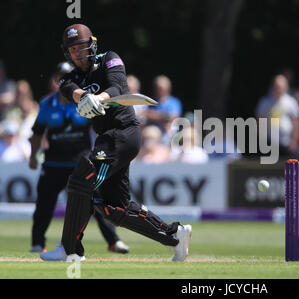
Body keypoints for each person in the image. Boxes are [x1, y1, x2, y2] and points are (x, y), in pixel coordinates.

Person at [40, 24, 191, 262]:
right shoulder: (71, 76)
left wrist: (98, 98)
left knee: (82, 176)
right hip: (106, 138)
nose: (78, 53)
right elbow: (68, 88)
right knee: (112, 207)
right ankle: (174, 236)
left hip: (123, 133)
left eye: (81, 47)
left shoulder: (110, 59)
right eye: (73, 50)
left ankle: (70, 250)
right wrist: (84, 97)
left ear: (92, 45)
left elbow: (117, 86)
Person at [28, 62, 130, 254]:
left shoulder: (86, 101)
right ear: (55, 81)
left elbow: (102, 125)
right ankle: (37, 243)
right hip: (53, 163)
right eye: (61, 77)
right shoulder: (47, 104)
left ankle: (113, 241)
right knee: (44, 204)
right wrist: (33, 156)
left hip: (81, 162)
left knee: (96, 201)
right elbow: (37, 132)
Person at [255, 74, 299, 157]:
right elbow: (260, 122)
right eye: (276, 87)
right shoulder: (265, 102)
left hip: (286, 143)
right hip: (269, 143)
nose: (278, 89)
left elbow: (295, 122)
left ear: (286, 87)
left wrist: (294, 141)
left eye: (280, 87)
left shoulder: (291, 102)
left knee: (285, 169)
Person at [145, 75, 182, 143]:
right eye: (158, 88)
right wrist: (165, 116)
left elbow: (174, 117)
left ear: (168, 88)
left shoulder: (174, 102)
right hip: (153, 132)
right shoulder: (151, 101)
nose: (159, 90)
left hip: (168, 132)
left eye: (161, 88)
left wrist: (156, 115)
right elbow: (147, 114)